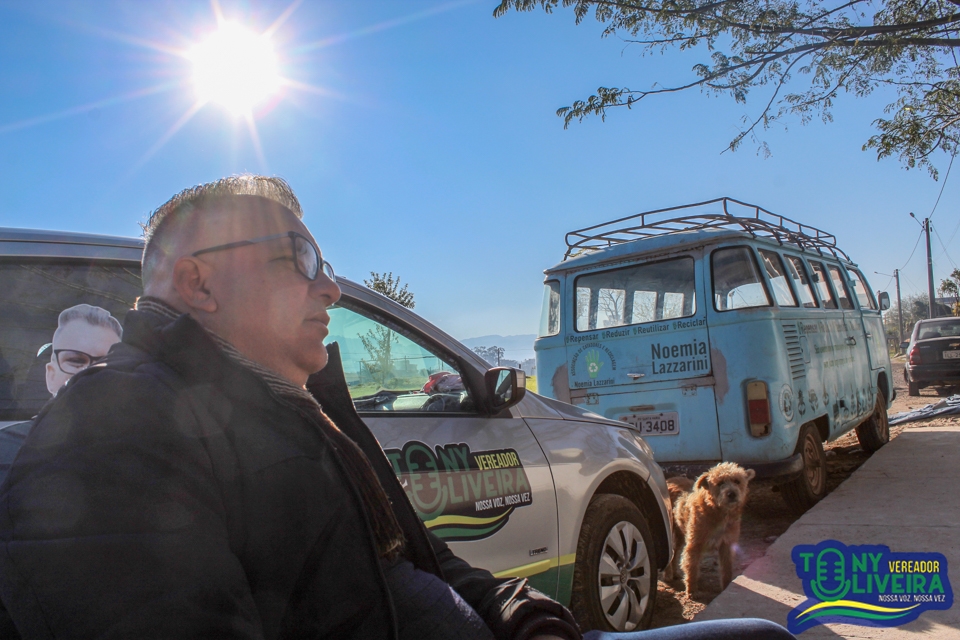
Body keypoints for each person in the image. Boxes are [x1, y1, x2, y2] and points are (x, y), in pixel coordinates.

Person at [0, 175, 795, 640]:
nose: (330, 287)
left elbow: (418, 563)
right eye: (299, 257)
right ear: (199, 283)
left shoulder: (306, 409)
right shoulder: (111, 432)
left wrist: (526, 620)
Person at [0, 304, 122, 489]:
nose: (87, 373)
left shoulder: (143, 456)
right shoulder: (5, 448)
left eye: (105, 363)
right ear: (51, 374)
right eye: (75, 361)